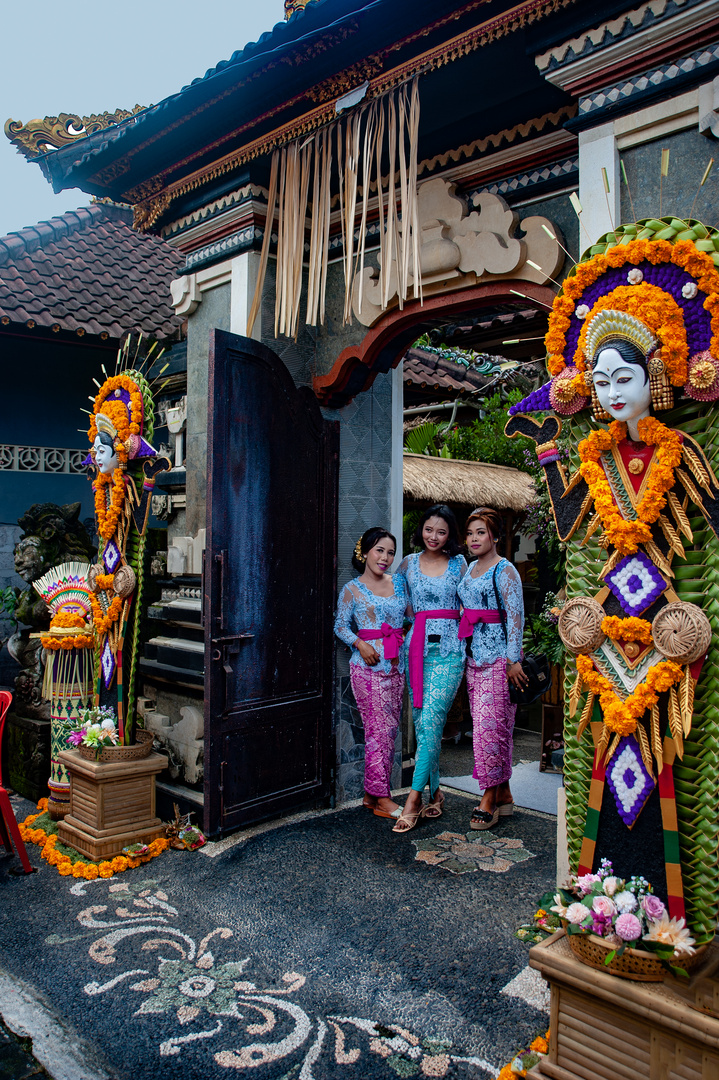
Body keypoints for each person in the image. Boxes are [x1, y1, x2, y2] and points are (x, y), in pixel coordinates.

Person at [392, 504, 467, 832]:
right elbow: (398, 604)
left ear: (450, 534)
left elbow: (472, 602)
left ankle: (413, 799)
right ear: (420, 529)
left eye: (441, 531)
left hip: (450, 650)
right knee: (424, 725)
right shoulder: (407, 563)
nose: (433, 536)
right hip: (416, 649)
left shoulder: (459, 563)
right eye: (428, 529)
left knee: (433, 720)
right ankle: (436, 794)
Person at [457, 508, 526, 830]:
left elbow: (516, 617)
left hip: (500, 661)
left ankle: (487, 796)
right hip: (474, 659)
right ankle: (505, 794)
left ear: (495, 536)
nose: (473, 539)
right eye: (470, 533)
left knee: (488, 729)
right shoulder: (470, 568)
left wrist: (513, 661)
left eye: (481, 532)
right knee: (491, 729)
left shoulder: (505, 569)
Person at [334, 527, 408, 819]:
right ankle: (382, 797)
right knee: (378, 730)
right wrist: (360, 643)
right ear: (364, 552)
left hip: (396, 665)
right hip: (366, 668)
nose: (385, 557)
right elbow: (340, 625)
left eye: (390, 552)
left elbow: (411, 617)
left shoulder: (400, 584)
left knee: (389, 730)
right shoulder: (351, 589)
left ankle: (370, 794)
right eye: (379, 550)